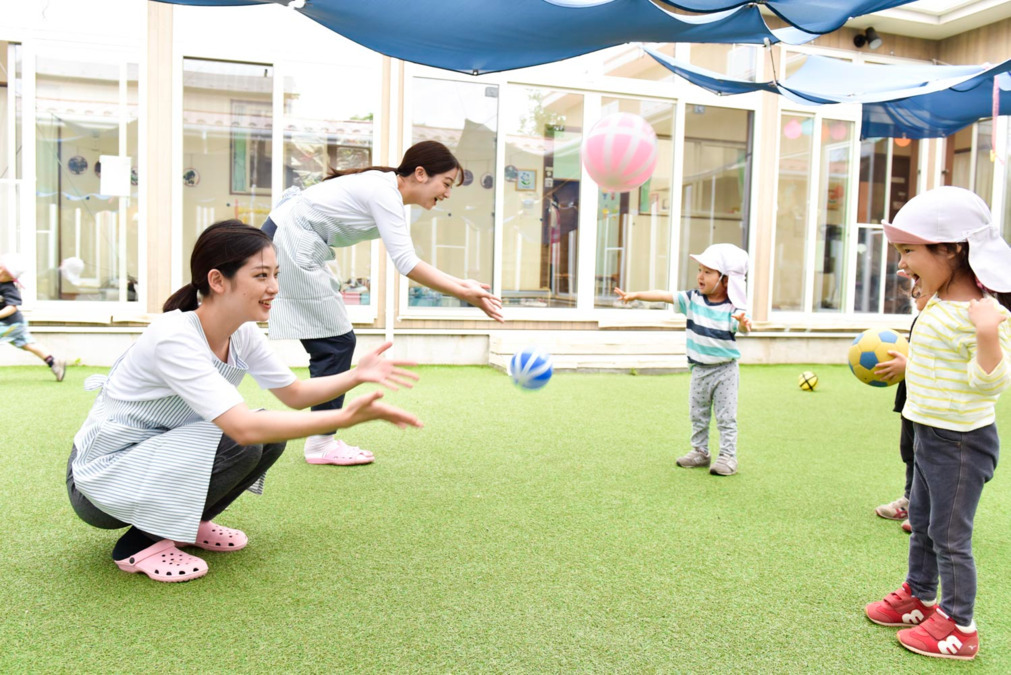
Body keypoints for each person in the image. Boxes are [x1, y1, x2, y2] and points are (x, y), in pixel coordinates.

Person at [66, 220, 422, 583]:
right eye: (261, 276)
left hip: (153, 458)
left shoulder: (243, 332)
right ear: (218, 281)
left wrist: (356, 374)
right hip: (99, 478)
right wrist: (343, 419)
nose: (274, 288)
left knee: (268, 436)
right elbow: (243, 428)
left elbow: (294, 395)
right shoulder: (173, 337)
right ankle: (139, 544)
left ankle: (186, 522)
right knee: (243, 438)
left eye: (276, 275)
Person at [262, 140, 503, 466]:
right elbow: (406, 263)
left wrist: (465, 286)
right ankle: (320, 444)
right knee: (334, 344)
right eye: (446, 183)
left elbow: (408, 259)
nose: (447, 194)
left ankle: (321, 439)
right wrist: (463, 294)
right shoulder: (384, 192)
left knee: (330, 342)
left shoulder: (387, 191)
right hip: (290, 238)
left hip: (291, 237)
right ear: (420, 173)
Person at [864, 187, 1011, 660]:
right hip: (929, 432)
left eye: (910, 251)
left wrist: (988, 335)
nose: (903, 264)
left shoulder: (983, 314)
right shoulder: (938, 303)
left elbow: (990, 384)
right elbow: (936, 355)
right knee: (923, 522)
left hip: (962, 443)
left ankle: (959, 626)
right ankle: (920, 595)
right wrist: (911, 364)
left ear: (951, 249)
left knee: (951, 536)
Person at [615, 243, 752, 476]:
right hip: (699, 370)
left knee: (726, 416)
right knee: (697, 413)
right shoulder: (692, 299)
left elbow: (744, 328)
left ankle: (728, 456)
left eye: (708, 272)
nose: (700, 276)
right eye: (700, 270)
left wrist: (742, 323)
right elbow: (664, 295)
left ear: (726, 280)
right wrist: (636, 295)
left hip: (725, 371)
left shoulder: (732, 309)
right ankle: (700, 452)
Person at [872, 285, 929, 534]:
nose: (914, 295)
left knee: (928, 456)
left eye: (920, 290)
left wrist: (910, 365)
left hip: (931, 402)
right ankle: (910, 500)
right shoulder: (921, 319)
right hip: (910, 397)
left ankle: (925, 511)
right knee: (910, 452)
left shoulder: (946, 321)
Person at [1, 252, 66, 381]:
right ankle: (54, 363)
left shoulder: (9, 288)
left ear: (11, 278)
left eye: (4, 274)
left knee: (27, 344)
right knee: (28, 344)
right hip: (16, 324)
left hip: (11, 324)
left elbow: (12, 307)